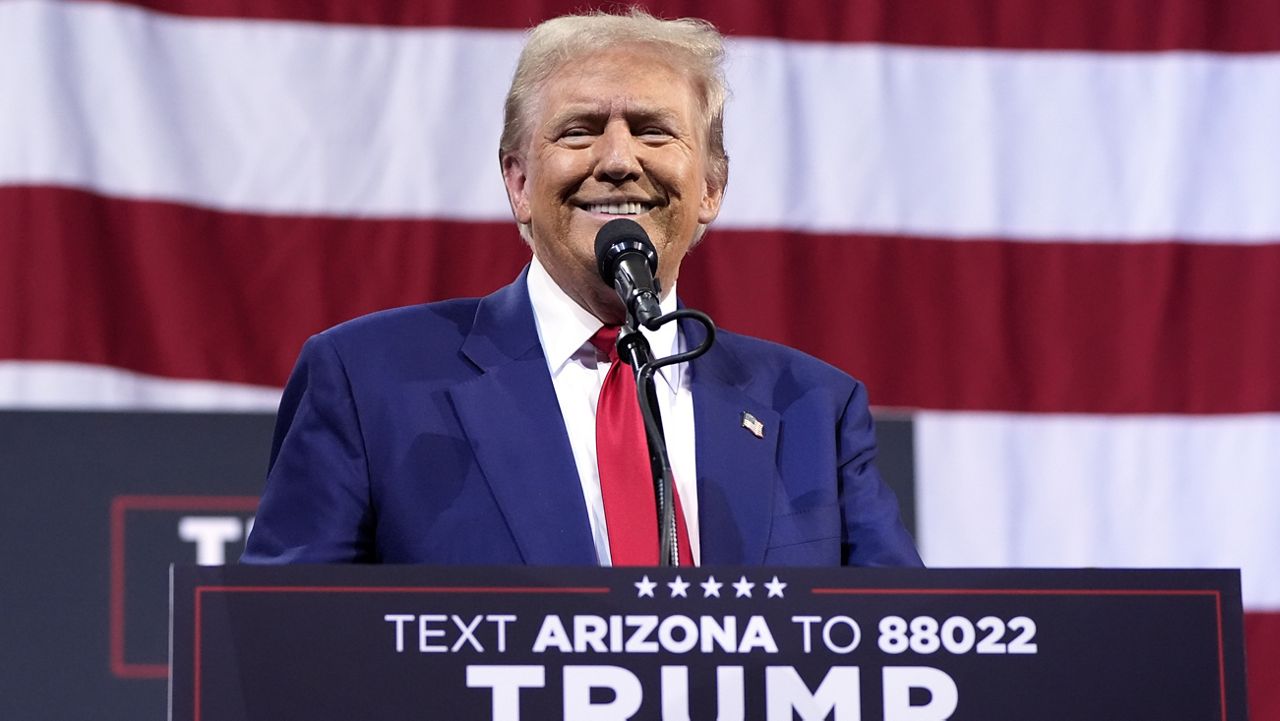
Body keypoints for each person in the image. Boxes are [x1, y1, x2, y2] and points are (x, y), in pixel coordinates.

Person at [242, 10, 921, 568]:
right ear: (518, 183)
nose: (619, 160)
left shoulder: (812, 409)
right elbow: (290, 650)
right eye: (580, 131)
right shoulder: (368, 381)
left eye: (654, 131)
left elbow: (900, 650)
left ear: (712, 187)